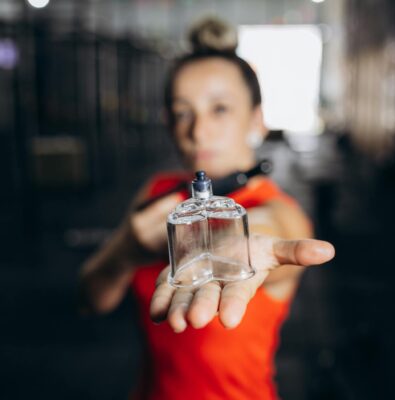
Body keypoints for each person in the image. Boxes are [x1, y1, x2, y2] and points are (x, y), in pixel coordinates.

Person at [79, 17, 335, 400]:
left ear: (257, 119)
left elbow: (269, 230)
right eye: (184, 112)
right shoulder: (159, 192)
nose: (198, 131)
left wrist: (232, 243)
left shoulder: (276, 210)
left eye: (220, 109)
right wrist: (127, 248)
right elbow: (91, 299)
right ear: (168, 122)